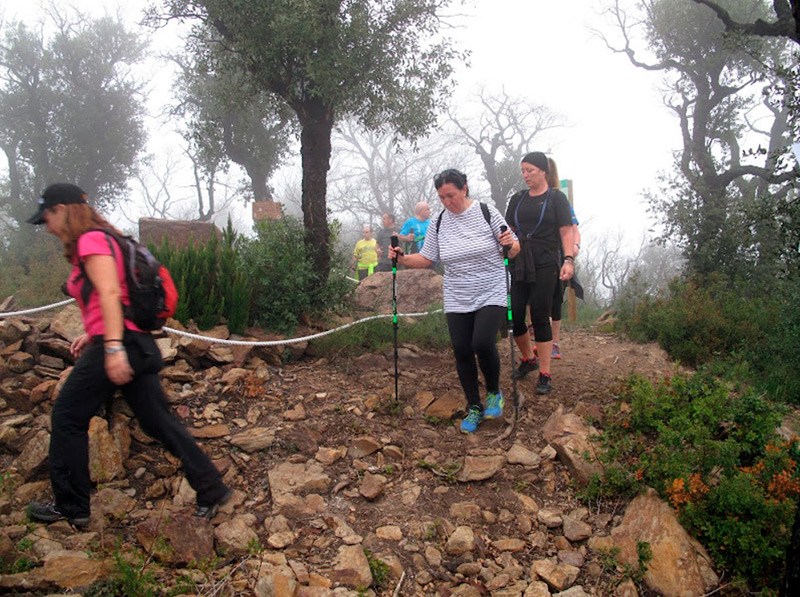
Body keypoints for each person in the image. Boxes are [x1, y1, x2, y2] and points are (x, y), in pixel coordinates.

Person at [25, 183, 232, 528]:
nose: (46, 227)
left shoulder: (91, 241)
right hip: (135, 343)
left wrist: (111, 348)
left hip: (120, 344)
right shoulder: (108, 238)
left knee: (66, 416)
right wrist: (93, 334)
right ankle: (211, 487)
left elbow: (109, 291)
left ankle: (71, 507)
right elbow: (115, 295)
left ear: (62, 210)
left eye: (47, 217)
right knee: (158, 422)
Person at [389, 169, 519, 434]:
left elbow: (513, 248)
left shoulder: (486, 212)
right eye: (442, 197)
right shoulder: (438, 222)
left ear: (464, 189)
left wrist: (509, 243)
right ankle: (474, 406)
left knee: (482, 342)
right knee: (461, 350)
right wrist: (401, 258)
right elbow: (426, 259)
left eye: (451, 195)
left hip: (491, 287)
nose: (448, 201)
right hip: (457, 293)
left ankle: (493, 391)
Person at [505, 152, 574, 395]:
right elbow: (508, 230)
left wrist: (568, 260)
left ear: (543, 171)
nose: (525, 175)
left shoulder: (556, 198)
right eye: (523, 171)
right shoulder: (517, 199)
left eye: (530, 170)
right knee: (513, 313)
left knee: (540, 313)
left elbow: (567, 231)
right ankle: (528, 358)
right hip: (520, 261)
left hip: (546, 262)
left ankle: (545, 373)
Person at [544, 157, 581, 360]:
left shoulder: (560, 199)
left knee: (556, 299)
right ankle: (540, 338)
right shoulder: (525, 198)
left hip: (558, 255)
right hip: (536, 257)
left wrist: (573, 248)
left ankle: (554, 342)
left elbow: (574, 228)